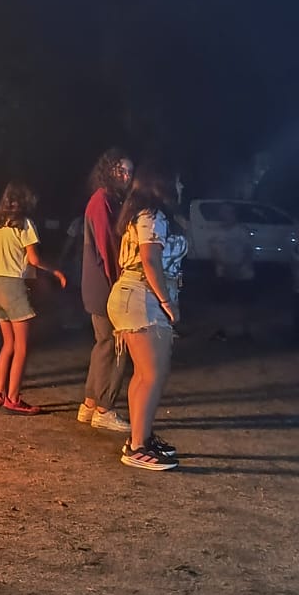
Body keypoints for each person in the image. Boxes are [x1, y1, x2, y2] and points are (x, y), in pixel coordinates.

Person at [107, 164, 186, 471]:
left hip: (136, 294)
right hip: (142, 296)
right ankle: (138, 447)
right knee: (153, 375)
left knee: (143, 375)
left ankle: (140, 438)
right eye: (177, 181)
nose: (181, 186)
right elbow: (150, 260)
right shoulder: (151, 215)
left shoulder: (146, 215)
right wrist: (167, 302)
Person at [0, 182, 67, 414]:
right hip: (13, 286)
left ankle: (0, 394)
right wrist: (55, 271)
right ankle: (13, 398)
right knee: (21, 346)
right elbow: (33, 259)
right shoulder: (24, 223)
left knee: (8, 344)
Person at [77, 149, 134, 432]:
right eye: (120, 170)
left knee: (104, 344)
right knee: (116, 345)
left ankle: (90, 404)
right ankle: (104, 408)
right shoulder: (102, 201)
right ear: (108, 170)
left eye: (129, 172)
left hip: (100, 283)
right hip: (105, 284)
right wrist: (119, 285)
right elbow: (108, 246)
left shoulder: (109, 199)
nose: (126, 176)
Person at [211, 203, 256, 341]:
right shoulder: (216, 232)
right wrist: (224, 265)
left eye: (228, 212)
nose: (225, 215)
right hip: (223, 272)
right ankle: (222, 331)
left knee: (243, 303)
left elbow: (249, 251)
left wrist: (238, 266)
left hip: (242, 273)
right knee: (222, 303)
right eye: (223, 212)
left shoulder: (242, 231)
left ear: (234, 214)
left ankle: (246, 331)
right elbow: (213, 251)